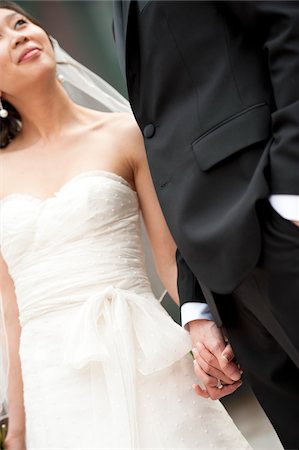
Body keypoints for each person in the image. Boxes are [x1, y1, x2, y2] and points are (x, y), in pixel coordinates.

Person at [0, 2, 251, 449]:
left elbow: (171, 258)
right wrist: (17, 432)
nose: (17, 36)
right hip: (53, 382)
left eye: (20, 23)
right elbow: (11, 311)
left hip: (144, 353)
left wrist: (207, 331)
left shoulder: (125, 133)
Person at [113, 1, 299, 448]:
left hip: (274, 221)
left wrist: (290, 195)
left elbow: (289, 24)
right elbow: (169, 144)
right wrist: (197, 304)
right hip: (223, 273)